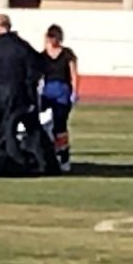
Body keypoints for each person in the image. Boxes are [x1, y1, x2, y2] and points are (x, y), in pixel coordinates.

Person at [0, 14, 50, 173]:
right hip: (15, 92)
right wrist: (30, 96)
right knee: (9, 129)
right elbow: (33, 72)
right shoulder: (22, 47)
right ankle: (13, 163)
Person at [40, 24, 80, 172]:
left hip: (62, 90)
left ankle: (64, 157)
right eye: (50, 36)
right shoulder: (43, 55)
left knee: (60, 124)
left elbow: (74, 74)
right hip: (47, 90)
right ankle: (48, 152)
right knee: (41, 122)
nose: (52, 39)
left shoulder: (67, 54)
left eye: (55, 36)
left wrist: (74, 91)